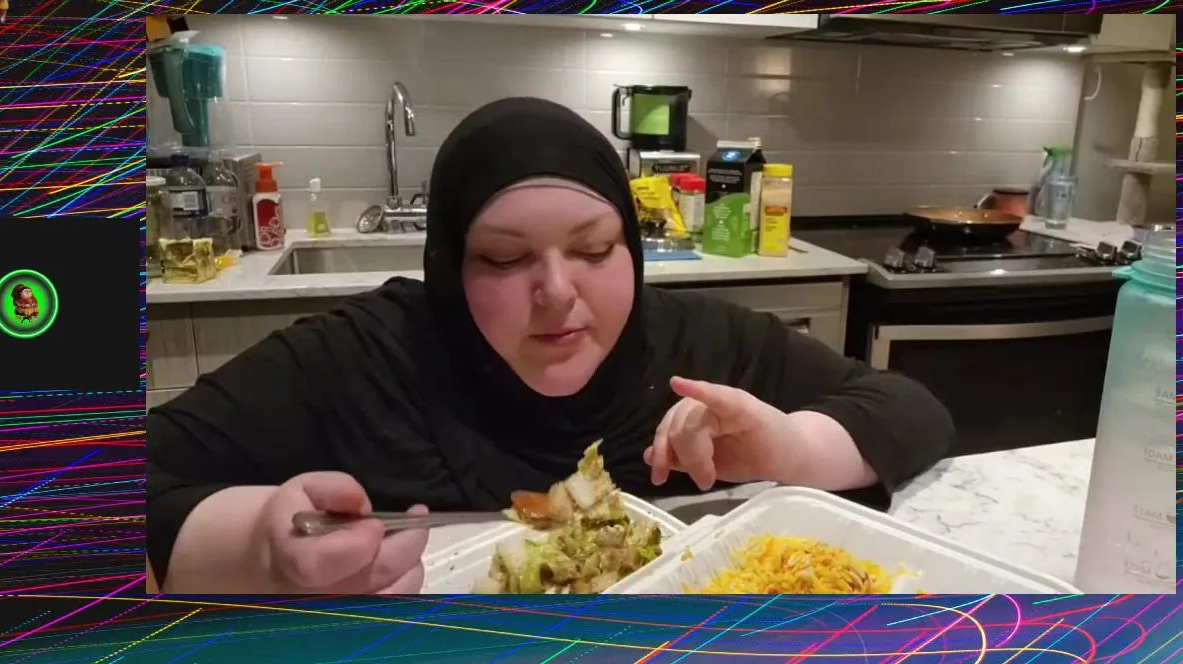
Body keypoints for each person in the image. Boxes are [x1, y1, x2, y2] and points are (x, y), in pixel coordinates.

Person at [146, 97, 954, 595]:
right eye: (503, 260)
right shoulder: (364, 359)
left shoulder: (689, 342)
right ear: (449, 267)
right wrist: (258, 547)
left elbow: (909, 408)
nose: (559, 293)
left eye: (595, 249)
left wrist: (788, 447)